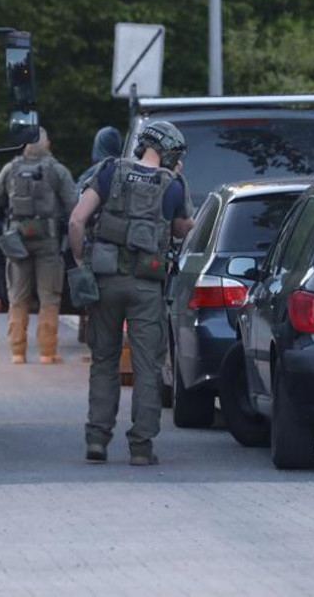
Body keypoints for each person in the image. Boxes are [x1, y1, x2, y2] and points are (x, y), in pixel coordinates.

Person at [68, 120, 194, 466]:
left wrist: (82, 261)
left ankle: (97, 439)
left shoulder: (110, 171)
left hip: (106, 282)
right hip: (146, 286)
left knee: (104, 361)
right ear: (171, 152)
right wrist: (177, 184)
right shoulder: (173, 185)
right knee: (147, 368)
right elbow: (184, 229)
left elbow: (77, 220)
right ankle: (141, 447)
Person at [0, 127, 78, 364]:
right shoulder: (57, 170)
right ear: (46, 145)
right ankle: (47, 352)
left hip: (17, 240)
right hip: (48, 241)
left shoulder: (11, 169)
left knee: (17, 297)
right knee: (49, 297)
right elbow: (73, 205)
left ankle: (17, 352)